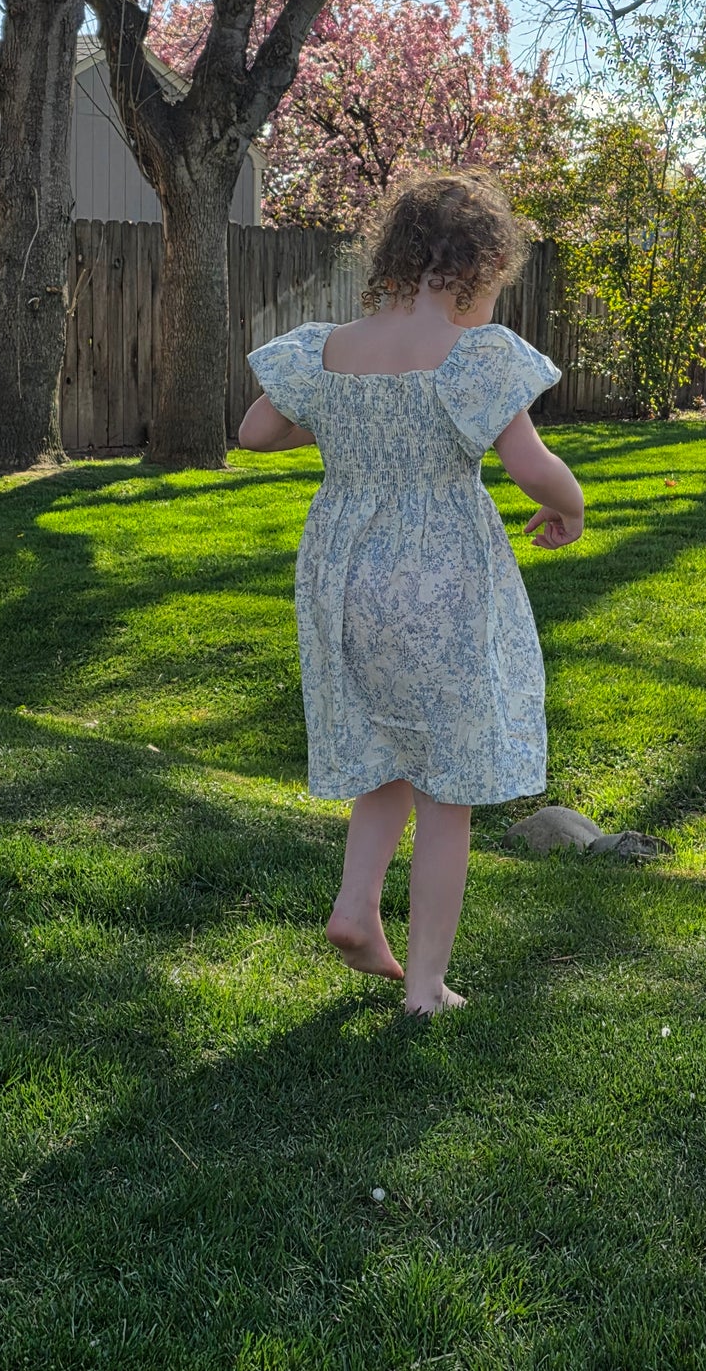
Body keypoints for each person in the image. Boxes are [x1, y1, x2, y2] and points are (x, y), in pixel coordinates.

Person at [239, 170, 584, 1012]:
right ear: (477, 268)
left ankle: (357, 906)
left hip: (341, 574)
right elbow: (530, 464)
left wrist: (331, 413)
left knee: (382, 746)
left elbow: (254, 432)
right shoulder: (471, 356)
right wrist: (565, 506)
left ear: (390, 257)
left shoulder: (327, 346)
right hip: (438, 578)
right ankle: (426, 983)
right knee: (446, 786)